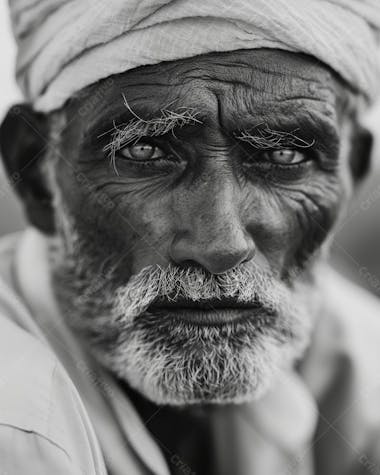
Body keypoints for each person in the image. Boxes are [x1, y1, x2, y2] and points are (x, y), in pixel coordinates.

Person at [1, 1, 380, 474]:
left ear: (353, 174)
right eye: (146, 150)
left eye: (284, 155)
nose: (221, 246)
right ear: (37, 174)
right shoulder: (16, 430)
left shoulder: (363, 367)